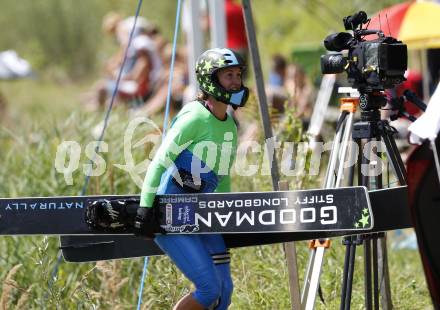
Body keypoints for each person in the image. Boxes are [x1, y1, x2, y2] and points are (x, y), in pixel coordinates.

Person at [135, 48, 249, 310]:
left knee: (225, 293)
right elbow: (159, 164)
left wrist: (228, 215)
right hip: (169, 216)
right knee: (209, 289)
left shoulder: (230, 125)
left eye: (238, 75)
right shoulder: (194, 117)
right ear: (210, 80)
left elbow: (222, 179)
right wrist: (145, 209)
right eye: (228, 75)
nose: (235, 81)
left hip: (202, 215)